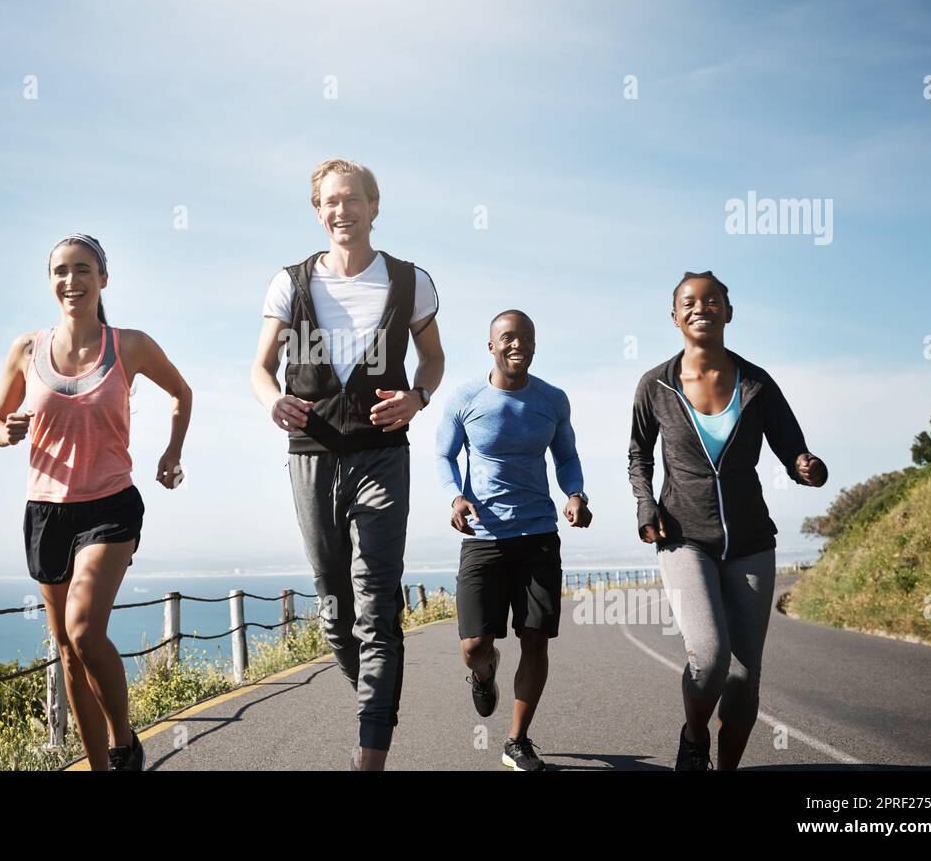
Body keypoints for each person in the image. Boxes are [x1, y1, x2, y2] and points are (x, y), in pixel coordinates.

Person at [250, 158, 444, 770]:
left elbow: (434, 359)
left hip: (383, 456)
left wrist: (417, 397)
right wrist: (270, 398)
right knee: (335, 617)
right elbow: (258, 368)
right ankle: (378, 705)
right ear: (317, 211)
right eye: (329, 202)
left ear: (374, 205)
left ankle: (369, 755)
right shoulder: (290, 283)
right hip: (311, 459)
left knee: (376, 605)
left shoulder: (413, 282)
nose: (341, 211)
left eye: (351, 200)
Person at [0, 233, 192, 771]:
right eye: (60, 271)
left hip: (110, 505)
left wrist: (172, 453)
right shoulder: (27, 350)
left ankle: (124, 742)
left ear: (103, 278)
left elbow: (181, 393)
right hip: (45, 510)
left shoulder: (129, 345)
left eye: (83, 270)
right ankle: (101, 766)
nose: (71, 280)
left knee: (83, 629)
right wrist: (5, 432)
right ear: (50, 280)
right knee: (68, 652)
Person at [628, 270, 827, 771]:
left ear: (728, 312)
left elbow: (793, 449)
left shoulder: (757, 384)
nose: (701, 308)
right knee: (710, 656)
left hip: (752, 540)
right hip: (683, 537)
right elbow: (639, 453)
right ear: (674, 316)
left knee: (743, 677)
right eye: (689, 302)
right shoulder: (655, 385)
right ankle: (695, 739)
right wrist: (645, 504)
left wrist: (806, 467)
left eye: (712, 300)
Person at [436, 310, 590, 771]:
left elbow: (566, 456)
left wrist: (576, 494)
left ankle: (517, 740)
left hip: (539, 534)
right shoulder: (465, 398)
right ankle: (485, 672)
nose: (516, 344)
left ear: (535, 346)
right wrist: (455, 497)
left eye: (525, 338)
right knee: (473, 645)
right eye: (507, 338)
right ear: (491, 346)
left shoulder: (553, 400)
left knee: (535, 638)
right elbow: (444, 455)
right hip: (483, 536)